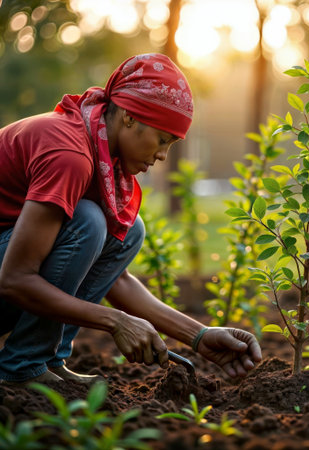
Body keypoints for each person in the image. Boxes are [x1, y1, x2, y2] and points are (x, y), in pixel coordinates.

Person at [0, 53, 262, 386]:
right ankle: (23, 366)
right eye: (162, 139)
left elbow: (113, 279)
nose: (163, 155)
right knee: (89, 221)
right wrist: (116, 322)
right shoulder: (70, 155)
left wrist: (198, 335)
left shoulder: (96, 151)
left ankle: (46, 361)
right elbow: (15, 279)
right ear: (127, 117)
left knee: (129, 231)